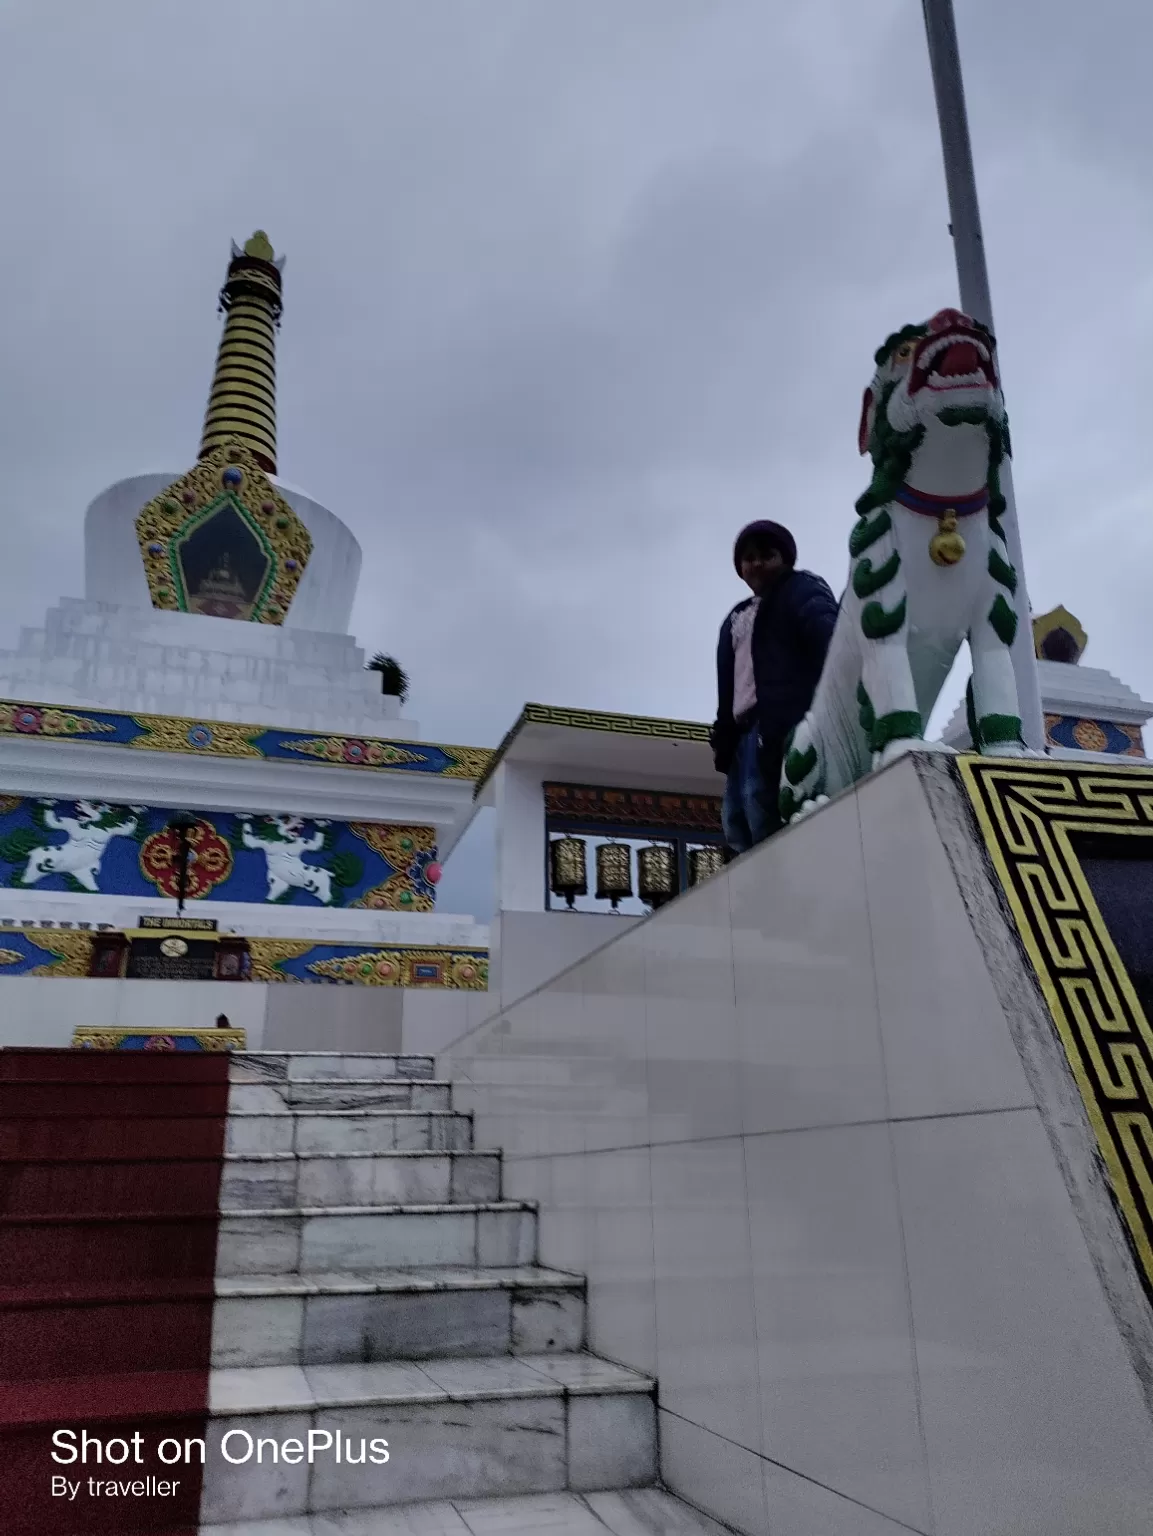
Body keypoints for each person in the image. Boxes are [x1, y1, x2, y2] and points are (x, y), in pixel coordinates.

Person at [710, 520, 838, 854]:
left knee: (763, 808)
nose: (756, 564)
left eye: (766, 555)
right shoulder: (736, 617)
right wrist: (723, 737)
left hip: (780, 724)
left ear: (785, 559)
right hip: (741, 734)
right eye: (748, 557)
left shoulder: (800, 590)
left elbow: (829, 642)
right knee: (735, 819)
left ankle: (781, 885)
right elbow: (729, 686)